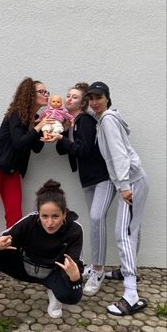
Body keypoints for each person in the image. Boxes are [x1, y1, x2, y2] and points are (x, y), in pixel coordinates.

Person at [0, 179, 84, 331]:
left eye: (55, 216)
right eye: (44, 216)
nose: (49, 222)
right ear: (38, 213)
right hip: (25, 268)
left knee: (70, 296)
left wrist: (75, 277)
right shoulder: (30, 222)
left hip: (53, 274)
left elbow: (76, 283)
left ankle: (54, 293)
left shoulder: (75, 230)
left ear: (64, 214)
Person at [0, 77, 54, 275]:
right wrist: (38, 124)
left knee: (15, 217)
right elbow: (18, 143)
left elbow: (36, 146)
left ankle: (8, 259)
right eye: (42, 92)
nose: (46, 95)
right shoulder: (16, 114)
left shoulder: (34, 118)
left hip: (11, 173)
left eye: (46, 92)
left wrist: (46, 130)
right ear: (29, 95)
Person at [43, 83, 116, 296]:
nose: (69, 99)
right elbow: (61, 149)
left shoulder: (84, 119)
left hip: (103, 178)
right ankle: (94, 266)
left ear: (83, 103)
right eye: (68, 95)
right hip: (88, 180)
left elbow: (82, 150)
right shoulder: (72, 122)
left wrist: (63, 138)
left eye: (74, 97)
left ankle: (98, 270)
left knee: (95, 219)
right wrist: (60, 132)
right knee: (94, 222)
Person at [87, 81, 149, 316]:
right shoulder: (104, 120)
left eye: (98, 97)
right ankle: (125, 271)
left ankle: (131, 295)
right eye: (91, 98)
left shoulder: (109, 120)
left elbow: (119, 155)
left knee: (123, 233)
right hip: (134, 181)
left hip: (131, 183)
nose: (94, 102)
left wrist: (123, 185)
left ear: (107, 98)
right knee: (132, 229)